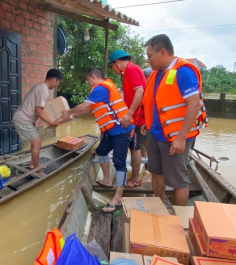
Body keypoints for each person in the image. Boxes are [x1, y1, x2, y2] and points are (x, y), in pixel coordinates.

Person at [142, 34, 208, 206]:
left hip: (175, 138)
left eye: (150, 56)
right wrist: (147, 122)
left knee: (178, 181)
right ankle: (159, 207)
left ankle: (179, 221)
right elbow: (160, 102)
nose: (148, 61)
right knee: (156, 173)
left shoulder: (183, 72)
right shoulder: (159, 74)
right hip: (156, 134)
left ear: (162, 52)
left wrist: (181, 138)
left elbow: (194, 105)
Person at [62, 67, 134, 213]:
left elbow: (83, 106)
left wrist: (69, 111)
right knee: (101, 152)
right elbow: (85, 110)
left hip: (121, 130)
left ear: (93, 77)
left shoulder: (100, 89)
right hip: (110, 131)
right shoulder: (98, 91)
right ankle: (107, 180)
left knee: (119, 162)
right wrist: (72, 116)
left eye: (88, 81)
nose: (88, 84)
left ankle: (118, 198)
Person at [108, 49, 146, 188]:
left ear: (117, 62)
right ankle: (134, 176)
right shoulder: (128, 72)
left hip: (136, 118)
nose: (114, 70)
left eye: (112, 67)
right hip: (133, 117)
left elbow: (140, 91)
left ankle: (135, 179)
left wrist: (130, 113)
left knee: (135, 147)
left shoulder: (131, 69)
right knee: (132, 146)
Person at [13, 69, 62, 174]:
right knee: (37, 142)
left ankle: (33, 164)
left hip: (25, 118)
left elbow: (41, 109)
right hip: (23, 119)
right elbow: (39, 111)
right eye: (57, 83)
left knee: (34, 141)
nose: (56, 85)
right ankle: (37, 170)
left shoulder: (41, 87)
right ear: (54, 80)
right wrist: (52, 122)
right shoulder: (43, 90)